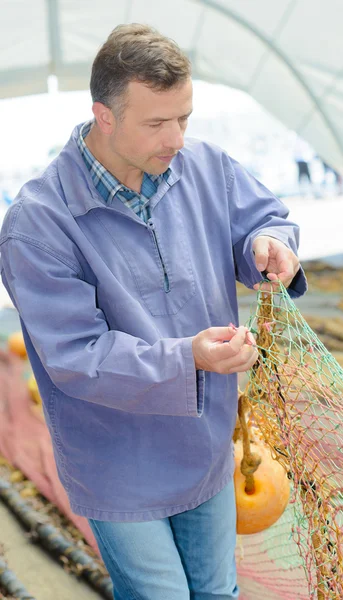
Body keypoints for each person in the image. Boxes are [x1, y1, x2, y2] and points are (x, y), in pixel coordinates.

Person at [0, 24, 306, 600]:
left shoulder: (206, 168)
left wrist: (268, 243)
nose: (177, 139)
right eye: (157, 123)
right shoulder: (38, 226)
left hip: (206, 440)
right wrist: (188, 357)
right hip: (117, 459)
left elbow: (262, 218)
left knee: (218, 591)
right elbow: (77, 356)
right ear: (104, 116)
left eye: (184, 118)